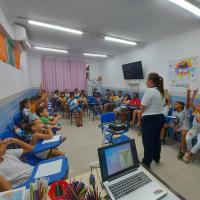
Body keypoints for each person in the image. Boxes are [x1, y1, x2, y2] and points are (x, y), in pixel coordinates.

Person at [140, 72, 165, 169]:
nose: (146, 82)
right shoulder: (162, 92)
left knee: (147, 142)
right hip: (159, 118)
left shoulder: (149, 91)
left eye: (147, 79)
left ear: (150, 81)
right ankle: (156, 158)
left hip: (149, 119)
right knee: (156, 140)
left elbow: (142, 107)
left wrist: (141, 109)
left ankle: (146, 162)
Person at [184, 89, 200, 162]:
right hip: (194, 129)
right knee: (187, 138)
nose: (197, 107)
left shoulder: (196, 113)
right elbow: (190, 103)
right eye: (197, 106)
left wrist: (196, 116)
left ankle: (189, 153)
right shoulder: (196, 110)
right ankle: (189, 153)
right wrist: (193, 94)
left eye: (199, 107)